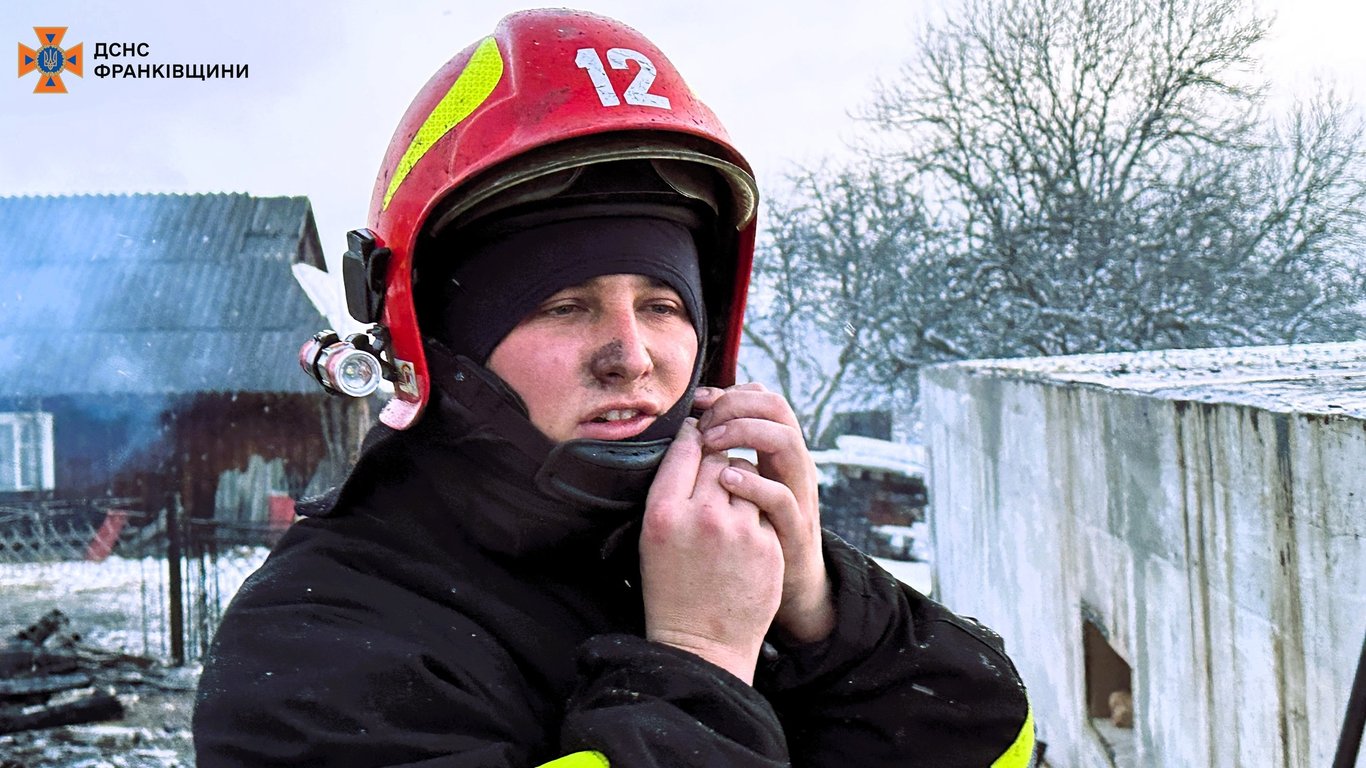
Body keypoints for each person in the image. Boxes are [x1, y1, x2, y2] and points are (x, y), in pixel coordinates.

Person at [193, 9, 1035, 767]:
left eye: (663, 304)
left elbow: (994, 743)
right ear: (437, 344)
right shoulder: (315, 648)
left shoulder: (728, 563)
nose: (632, 356)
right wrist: (701, 661)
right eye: (564, 304)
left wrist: (827, 614)